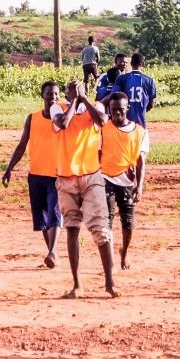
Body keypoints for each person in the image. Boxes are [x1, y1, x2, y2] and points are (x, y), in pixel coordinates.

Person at [52, 81, 117, 298]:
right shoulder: (58, 108)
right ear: (67, 93)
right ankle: (77, 284)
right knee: (72, 228)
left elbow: (103, 120)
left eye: (79, 88)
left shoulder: (96, 107)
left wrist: (84, 100)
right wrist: (74, 101)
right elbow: (63, 123)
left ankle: (109, 282)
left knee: (100, 229)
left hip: (91, 176)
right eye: (72, 89)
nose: (76, 91)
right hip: (65, 178)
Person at [1, 81, 65, 269]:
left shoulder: (62, 120)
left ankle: (53, 251)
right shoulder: (33, 118)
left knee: (55, 213)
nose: (52, 97)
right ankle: (51, 253)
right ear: (42, 95)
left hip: (57, 174)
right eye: (49, 93)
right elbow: (22, 145)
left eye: (55, 94)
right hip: (36, 174)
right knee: (42, 218)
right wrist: (9, 168)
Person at [100, 91, 149, 271]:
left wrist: (140, 185)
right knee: (107, 220)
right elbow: (97, 153)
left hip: (127, 182)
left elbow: (140, 161)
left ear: (127, 108)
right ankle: (110, 259)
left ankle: (125, 251)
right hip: (106, 178)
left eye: (121, 110)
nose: (117, 114)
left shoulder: (139, 132)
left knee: (128, 223)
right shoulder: (103, 129)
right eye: (113, 110)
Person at [114, 53, 157, 127]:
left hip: (125, 121)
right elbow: (151, 104)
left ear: (131, 63)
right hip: (141, 122)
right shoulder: (149, 80)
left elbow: (114, 97)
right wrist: (142, 111)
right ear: (143, 64)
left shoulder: (121, 78)